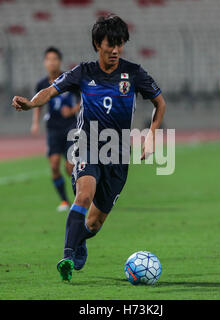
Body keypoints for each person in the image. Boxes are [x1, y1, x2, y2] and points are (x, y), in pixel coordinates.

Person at [12, 15, 166, 281]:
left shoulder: (134, 73)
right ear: (98, 44)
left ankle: (80, 240)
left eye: (120, 44)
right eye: (110, 44)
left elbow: (160, 104)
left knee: (94, 223)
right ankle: (68, 257)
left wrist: (152, 135)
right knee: (84, 194)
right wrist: (31, 104)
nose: (116, 50)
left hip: (118, 153)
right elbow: (50, 90)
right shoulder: (83, 72)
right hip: (86, 144)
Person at [31, 47, 80, 212]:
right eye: (49, 59)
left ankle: (80, 199)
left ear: (60, 61)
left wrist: (73, 110)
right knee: (53, 165)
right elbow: (37, 104)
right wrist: (35, 123)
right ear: (45, 63)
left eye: (55, 59)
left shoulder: (69, 79)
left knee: (70, 166)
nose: (52, 62)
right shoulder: (41, 84)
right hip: (53, 128)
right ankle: (65, 201)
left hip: (71, 127)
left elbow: (84, 99)